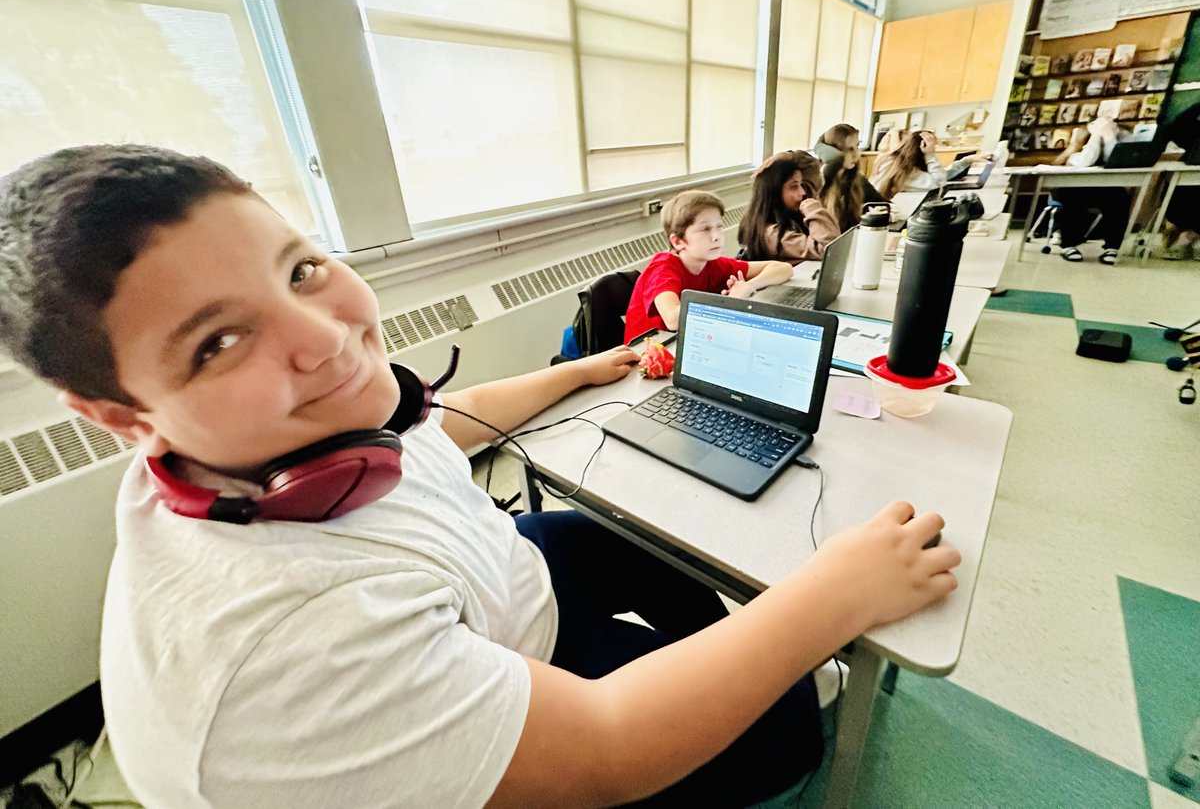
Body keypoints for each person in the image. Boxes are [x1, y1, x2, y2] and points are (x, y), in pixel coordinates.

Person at [0, 145, 960, 808]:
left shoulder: (273, 433)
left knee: (610, 547)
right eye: (217, 341)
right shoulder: (279, 651)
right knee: (784, 728)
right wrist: (830, 596)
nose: (328, 338)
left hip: (495, 600)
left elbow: (435, 428)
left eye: (297, 270)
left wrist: (584, 369)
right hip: (502, 695)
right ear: (123, 417)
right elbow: (612, 747)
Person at [624, 189, 793, 343]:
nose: (717, 236)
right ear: (678, 241)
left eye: (719, 227)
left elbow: (782, 268)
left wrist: (748, 285)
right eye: (705, 229)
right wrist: (732, 300)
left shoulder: (713, 263)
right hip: (648, 355)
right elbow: (673, 319)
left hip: (691, 341)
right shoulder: (663, 267)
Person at [1050, 118, 1131, 264]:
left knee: (1118, 196)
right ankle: (1068, 244)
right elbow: (1084, 161)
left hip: (1102, 189)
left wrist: (1109, 138)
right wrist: (1095, 137)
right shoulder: (1079, 144)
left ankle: (1112, 247)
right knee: (1073, 196)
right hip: (1068, 187)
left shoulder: (1118, 141)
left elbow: (1116, 161)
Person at [738, 150, 840, 263]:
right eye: (794, 186)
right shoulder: (770, 234)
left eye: (801, 184)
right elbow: (830, 250)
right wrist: (813, 210)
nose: (802, 192)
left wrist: (790, 156)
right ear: (774, 192)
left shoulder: (789, 215)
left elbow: (813, 171)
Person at [871, 130, 979, 199]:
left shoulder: (907, 162)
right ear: (923, 147)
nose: (935, 149)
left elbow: (944, 175)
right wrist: (930, 155)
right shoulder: (902, 167)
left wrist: (968, 160)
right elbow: (939, 182)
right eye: (933, 146)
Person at [820, 146, 889, 232]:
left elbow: (884, 204)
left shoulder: (858, 181)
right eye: (849, 149)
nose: (856, 154)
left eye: (856, 148)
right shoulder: (820, 182)